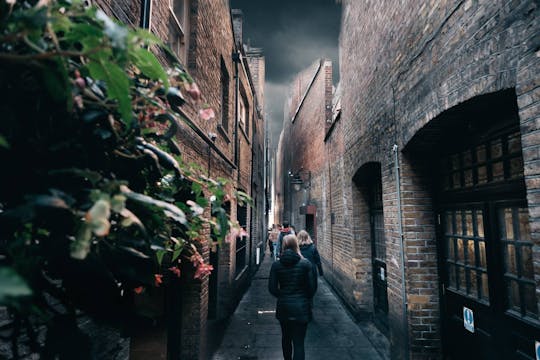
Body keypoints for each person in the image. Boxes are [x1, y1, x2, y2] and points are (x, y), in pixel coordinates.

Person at [268, 234, 316, 360]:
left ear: (283, 246)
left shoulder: (276, 265)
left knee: (286, 339)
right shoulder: (306, 264)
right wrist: (303, 297)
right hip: (301, 308)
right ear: (296, 245)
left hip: (284, 307)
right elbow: (311, 289)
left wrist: (283, 295)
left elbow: (272, 289)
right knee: (299, 343)